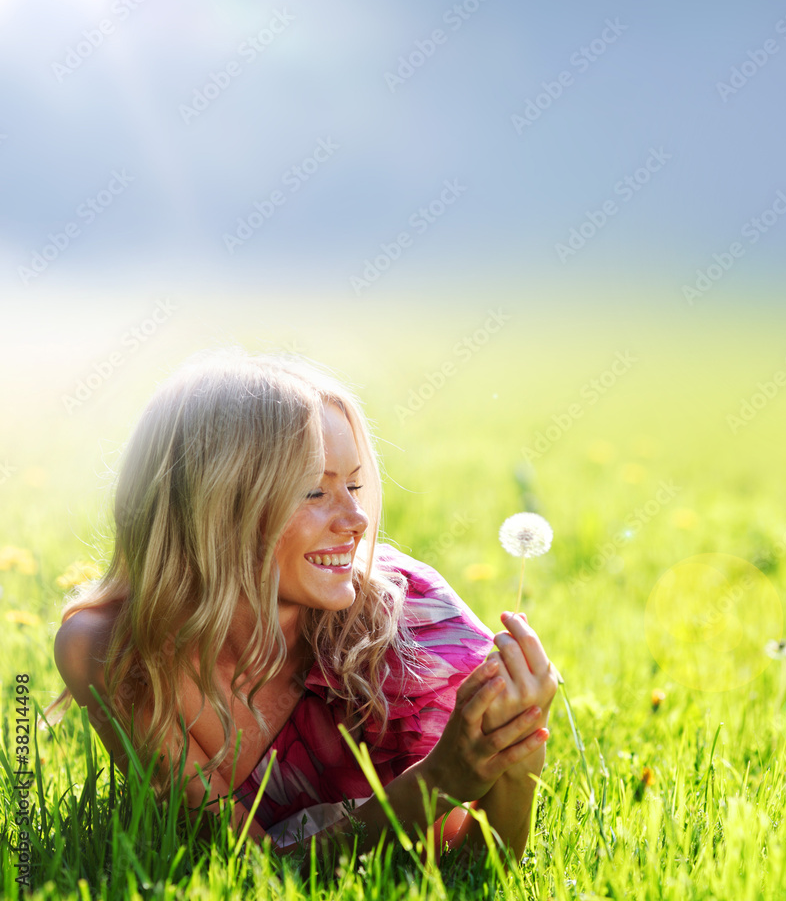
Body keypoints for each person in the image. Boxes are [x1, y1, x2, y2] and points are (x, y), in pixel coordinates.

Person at [50, 348, 558, 870]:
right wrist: (437, 782)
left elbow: (469, 868)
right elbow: (242, 870)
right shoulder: (112, 650)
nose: (357, 519)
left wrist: (517, 764)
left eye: (355, 485)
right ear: (215, 506)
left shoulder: (406, 624)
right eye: (316, 491)